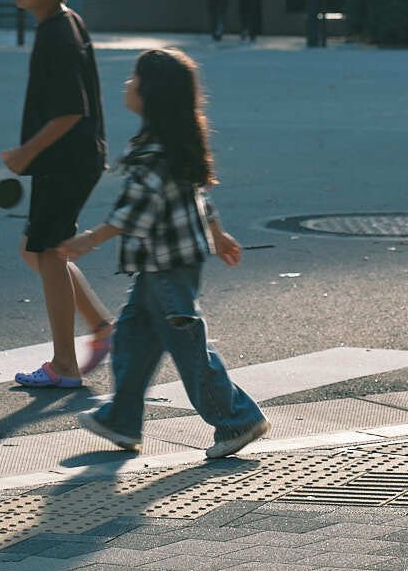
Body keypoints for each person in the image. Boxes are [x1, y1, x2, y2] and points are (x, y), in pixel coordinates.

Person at [62, 47, 270, 461]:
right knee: (134, 342)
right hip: (162, 265)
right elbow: (197, 197)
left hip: (168, 268)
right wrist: (218, 233)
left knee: (190, 348)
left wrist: (89, 239)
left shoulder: (154, 155)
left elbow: (133, 212)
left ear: (151, 95)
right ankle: (121, 418)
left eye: (134, 80)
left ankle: (237, 419)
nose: (127, 85)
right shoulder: (170, 144)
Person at [2, 0, 116, 391]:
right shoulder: (61, 23)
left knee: (47, 252)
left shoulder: (57, 34)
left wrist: (26, 152)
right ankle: (101, 327)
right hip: (73, 158)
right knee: (38, 250)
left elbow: (72, 110)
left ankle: (65, 364)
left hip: (65, 159)